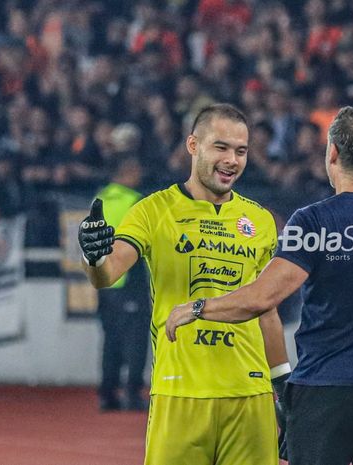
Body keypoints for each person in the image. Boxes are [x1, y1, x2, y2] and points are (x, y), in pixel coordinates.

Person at [167, 106, 353, 465]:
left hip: (325, 391)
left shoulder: (315, 221)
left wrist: (198, 308)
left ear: (332, 152)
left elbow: (262, 297)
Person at [78, 103, 289, 465]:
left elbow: (265, 308)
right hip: (180, 394)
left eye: (241, 151)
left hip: (250, 395)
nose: (232, 160)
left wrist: (283, 387)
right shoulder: (153, 210)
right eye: (220, 147)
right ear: (193, 146)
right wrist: (93, 257)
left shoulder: (260, 220)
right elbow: (108, 273)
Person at [94, 156, 151, 411]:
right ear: (127, 171)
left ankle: (107, 393)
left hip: (104, 280)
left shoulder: (101, 198)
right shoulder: (136, 202)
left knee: (111, 339)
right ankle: (132, 392)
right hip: (129, 278)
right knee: (136, 339)